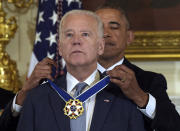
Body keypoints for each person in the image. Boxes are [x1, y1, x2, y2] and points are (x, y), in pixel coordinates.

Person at [1, 4, 180, 131]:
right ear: (61, 47)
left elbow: (173, 125)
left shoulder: (143, 84)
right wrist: (25, 92)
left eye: (114, 26)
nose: (107, 33)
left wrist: (140, 97)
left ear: (129, 36)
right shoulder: (51, 88)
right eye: (100, 27)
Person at [16, 10, 145, 131]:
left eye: (85, 34)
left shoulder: (124, 97)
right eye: (69, 34)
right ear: (60, 47)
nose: (76, 41)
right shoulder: (37, 98)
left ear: (100, 46)